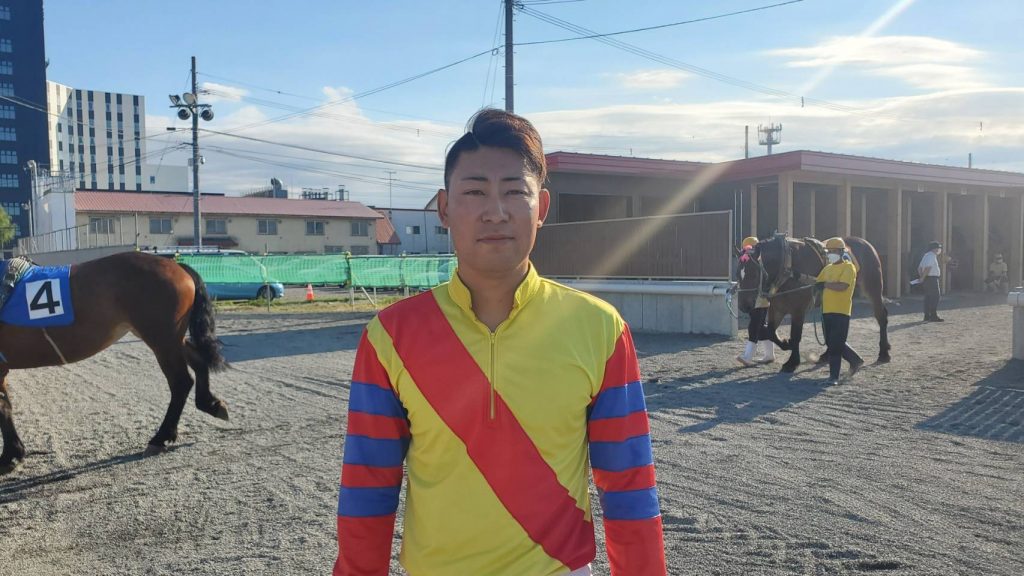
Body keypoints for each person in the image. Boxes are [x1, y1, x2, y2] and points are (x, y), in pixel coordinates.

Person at [333, 109, 667, 576]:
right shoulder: (390, 334)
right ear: (444, 208)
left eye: (514, 191)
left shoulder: (600, 328)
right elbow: (367, 484)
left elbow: (629, 482)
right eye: (475, 192)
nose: (496, 211)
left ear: (542, 207)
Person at [815, 237, 864, 385]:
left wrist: (825, 285)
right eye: (829, 251)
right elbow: (817, 282)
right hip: (826, 310)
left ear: (841, 252)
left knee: (836, 345)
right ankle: (855, 360)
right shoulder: (827, 269)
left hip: (841, 311)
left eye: (833, 251)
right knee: (832, 342)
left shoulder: (848, 267)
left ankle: (833, 377)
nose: (830, 254)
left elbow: (842, 286)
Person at [735, 236, 775, 366]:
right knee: (761, 326)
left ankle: (748, 356)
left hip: (760, 299)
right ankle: (769, 355)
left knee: (754, 326)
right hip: (755, 298)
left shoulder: (759, 262)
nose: (747, 252)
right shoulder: (747, 261)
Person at [918, 241, 944, 322]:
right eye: (938, 248)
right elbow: (928, 268)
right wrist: (922, 277)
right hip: (932, 278)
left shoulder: (926, 255)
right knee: (935, 297)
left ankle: (927, 315)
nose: (939, 250)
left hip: (927, 279)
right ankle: (933, 315)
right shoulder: (932, 256)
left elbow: (919, 268)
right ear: (934, 249)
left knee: (928, 297)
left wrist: (922, 277)